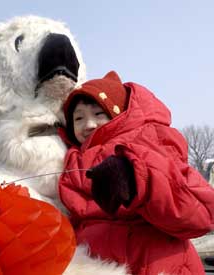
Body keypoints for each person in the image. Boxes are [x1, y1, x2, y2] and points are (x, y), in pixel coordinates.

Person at [58, 71, 214, 275]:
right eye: (78, 118)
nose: (88, 125)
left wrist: (137, 179)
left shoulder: (149, 142)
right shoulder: (68, 162)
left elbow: (201, 214)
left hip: (158, 265)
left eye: (98, 114)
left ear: (118, 114)